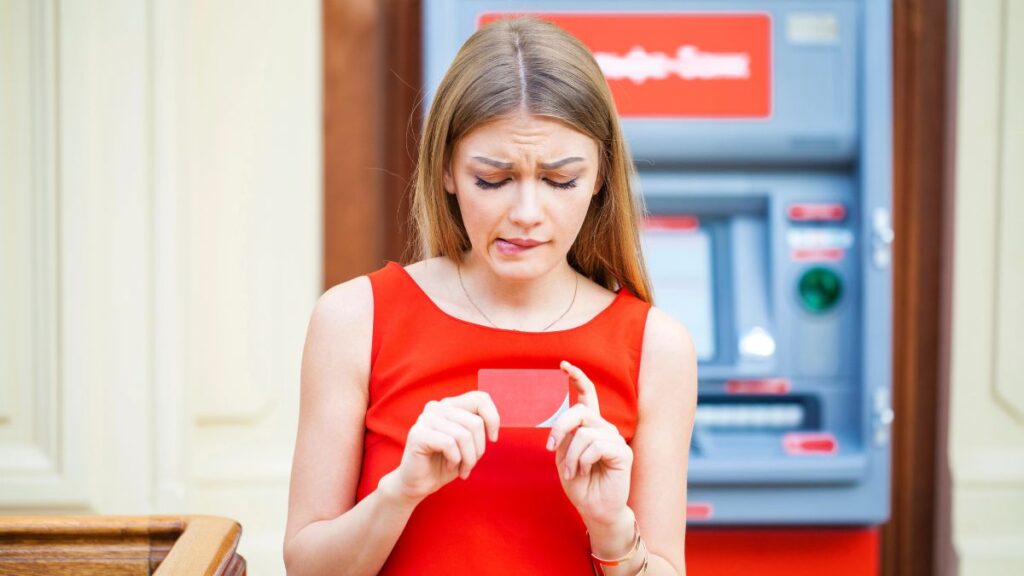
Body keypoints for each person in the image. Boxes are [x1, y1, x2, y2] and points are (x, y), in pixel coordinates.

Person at [283, 16, 696, 576]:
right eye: (493, 179)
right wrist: (399, 493)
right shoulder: (355, 318)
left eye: (560, 180)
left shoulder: (657, 347)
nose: (526, 213)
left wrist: (611, 528)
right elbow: (307, 568)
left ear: (600, 177)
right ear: (448, 169)